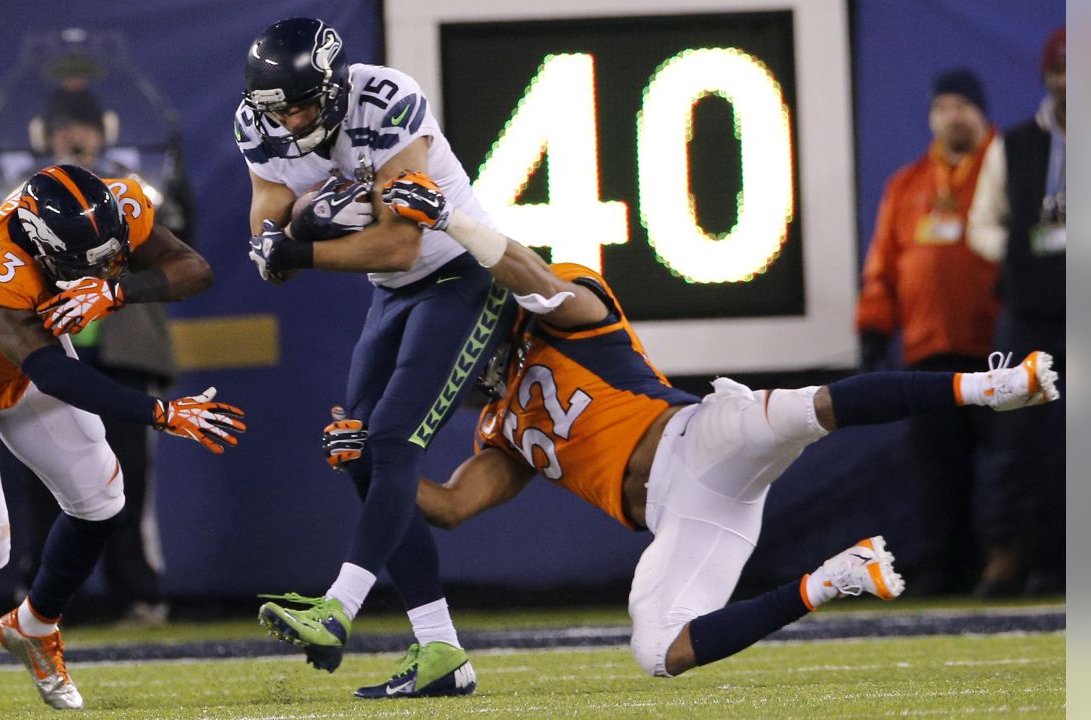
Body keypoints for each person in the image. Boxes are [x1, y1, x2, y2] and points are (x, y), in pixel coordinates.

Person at [321, 170, 1060, 685]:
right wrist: (370, 463)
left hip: (698, 434)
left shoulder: (567, 307)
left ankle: (988, 384)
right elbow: (448, 507)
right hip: (687, 516)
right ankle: (835, 579)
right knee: (657, 652)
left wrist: (452, 220)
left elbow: (536, 280)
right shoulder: (501, 428)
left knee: (816, 407)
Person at [0, 164, 245, 709]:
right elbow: (54, 373)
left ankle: (34, 625)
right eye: (89, 262)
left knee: (103, 502)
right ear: (40, 242)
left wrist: (117, 289)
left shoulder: (116, 207)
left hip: (26, 368)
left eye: (111, 254)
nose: (101, 265)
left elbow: (194, 270)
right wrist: (158, 412)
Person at [234, 17, 512, 696]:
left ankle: (339, 607)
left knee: (389, 440)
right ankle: (442, 650)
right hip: (391, 297)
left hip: (459, 277)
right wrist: (288, 234)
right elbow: (267, 229)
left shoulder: (385, 99)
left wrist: (299, 245)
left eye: (303, 103)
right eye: (281, 109)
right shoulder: (258, 122)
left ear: (332, 87)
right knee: (356, 447)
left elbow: (400, 245)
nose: (293, 119)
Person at [8, 85, 196, 627]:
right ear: (44, 135)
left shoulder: (136, 187)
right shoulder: (20, 191)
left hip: (122, 346)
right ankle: (41, 594)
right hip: (46, 347)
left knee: (128, 476)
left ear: (104, 131)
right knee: (45, 475)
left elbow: (182, 252)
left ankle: (137, 593)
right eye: (62, 126)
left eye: (82, 125)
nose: (73, 136)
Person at [855, 68, 1005, 594]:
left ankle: (1014, 560)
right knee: (937, 470)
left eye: (963, 105)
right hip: (930, 349)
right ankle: (945, 564)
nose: (953, 116)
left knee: (1013, 464)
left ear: (982, 113)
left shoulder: (1009, 168)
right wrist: (874, 325)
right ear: (931, 116)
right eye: (944, 107)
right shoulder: (909, 183)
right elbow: (884, 264)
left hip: (1000, 347)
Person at [968, 27, 1066, 596]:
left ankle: (1062, 559)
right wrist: (1013, 257)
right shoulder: (1017, 143)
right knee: (1016, 444)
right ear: (1047, 77)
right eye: (1059, 73)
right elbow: (983, 222)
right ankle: (1007, 557)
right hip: (1030, 310)